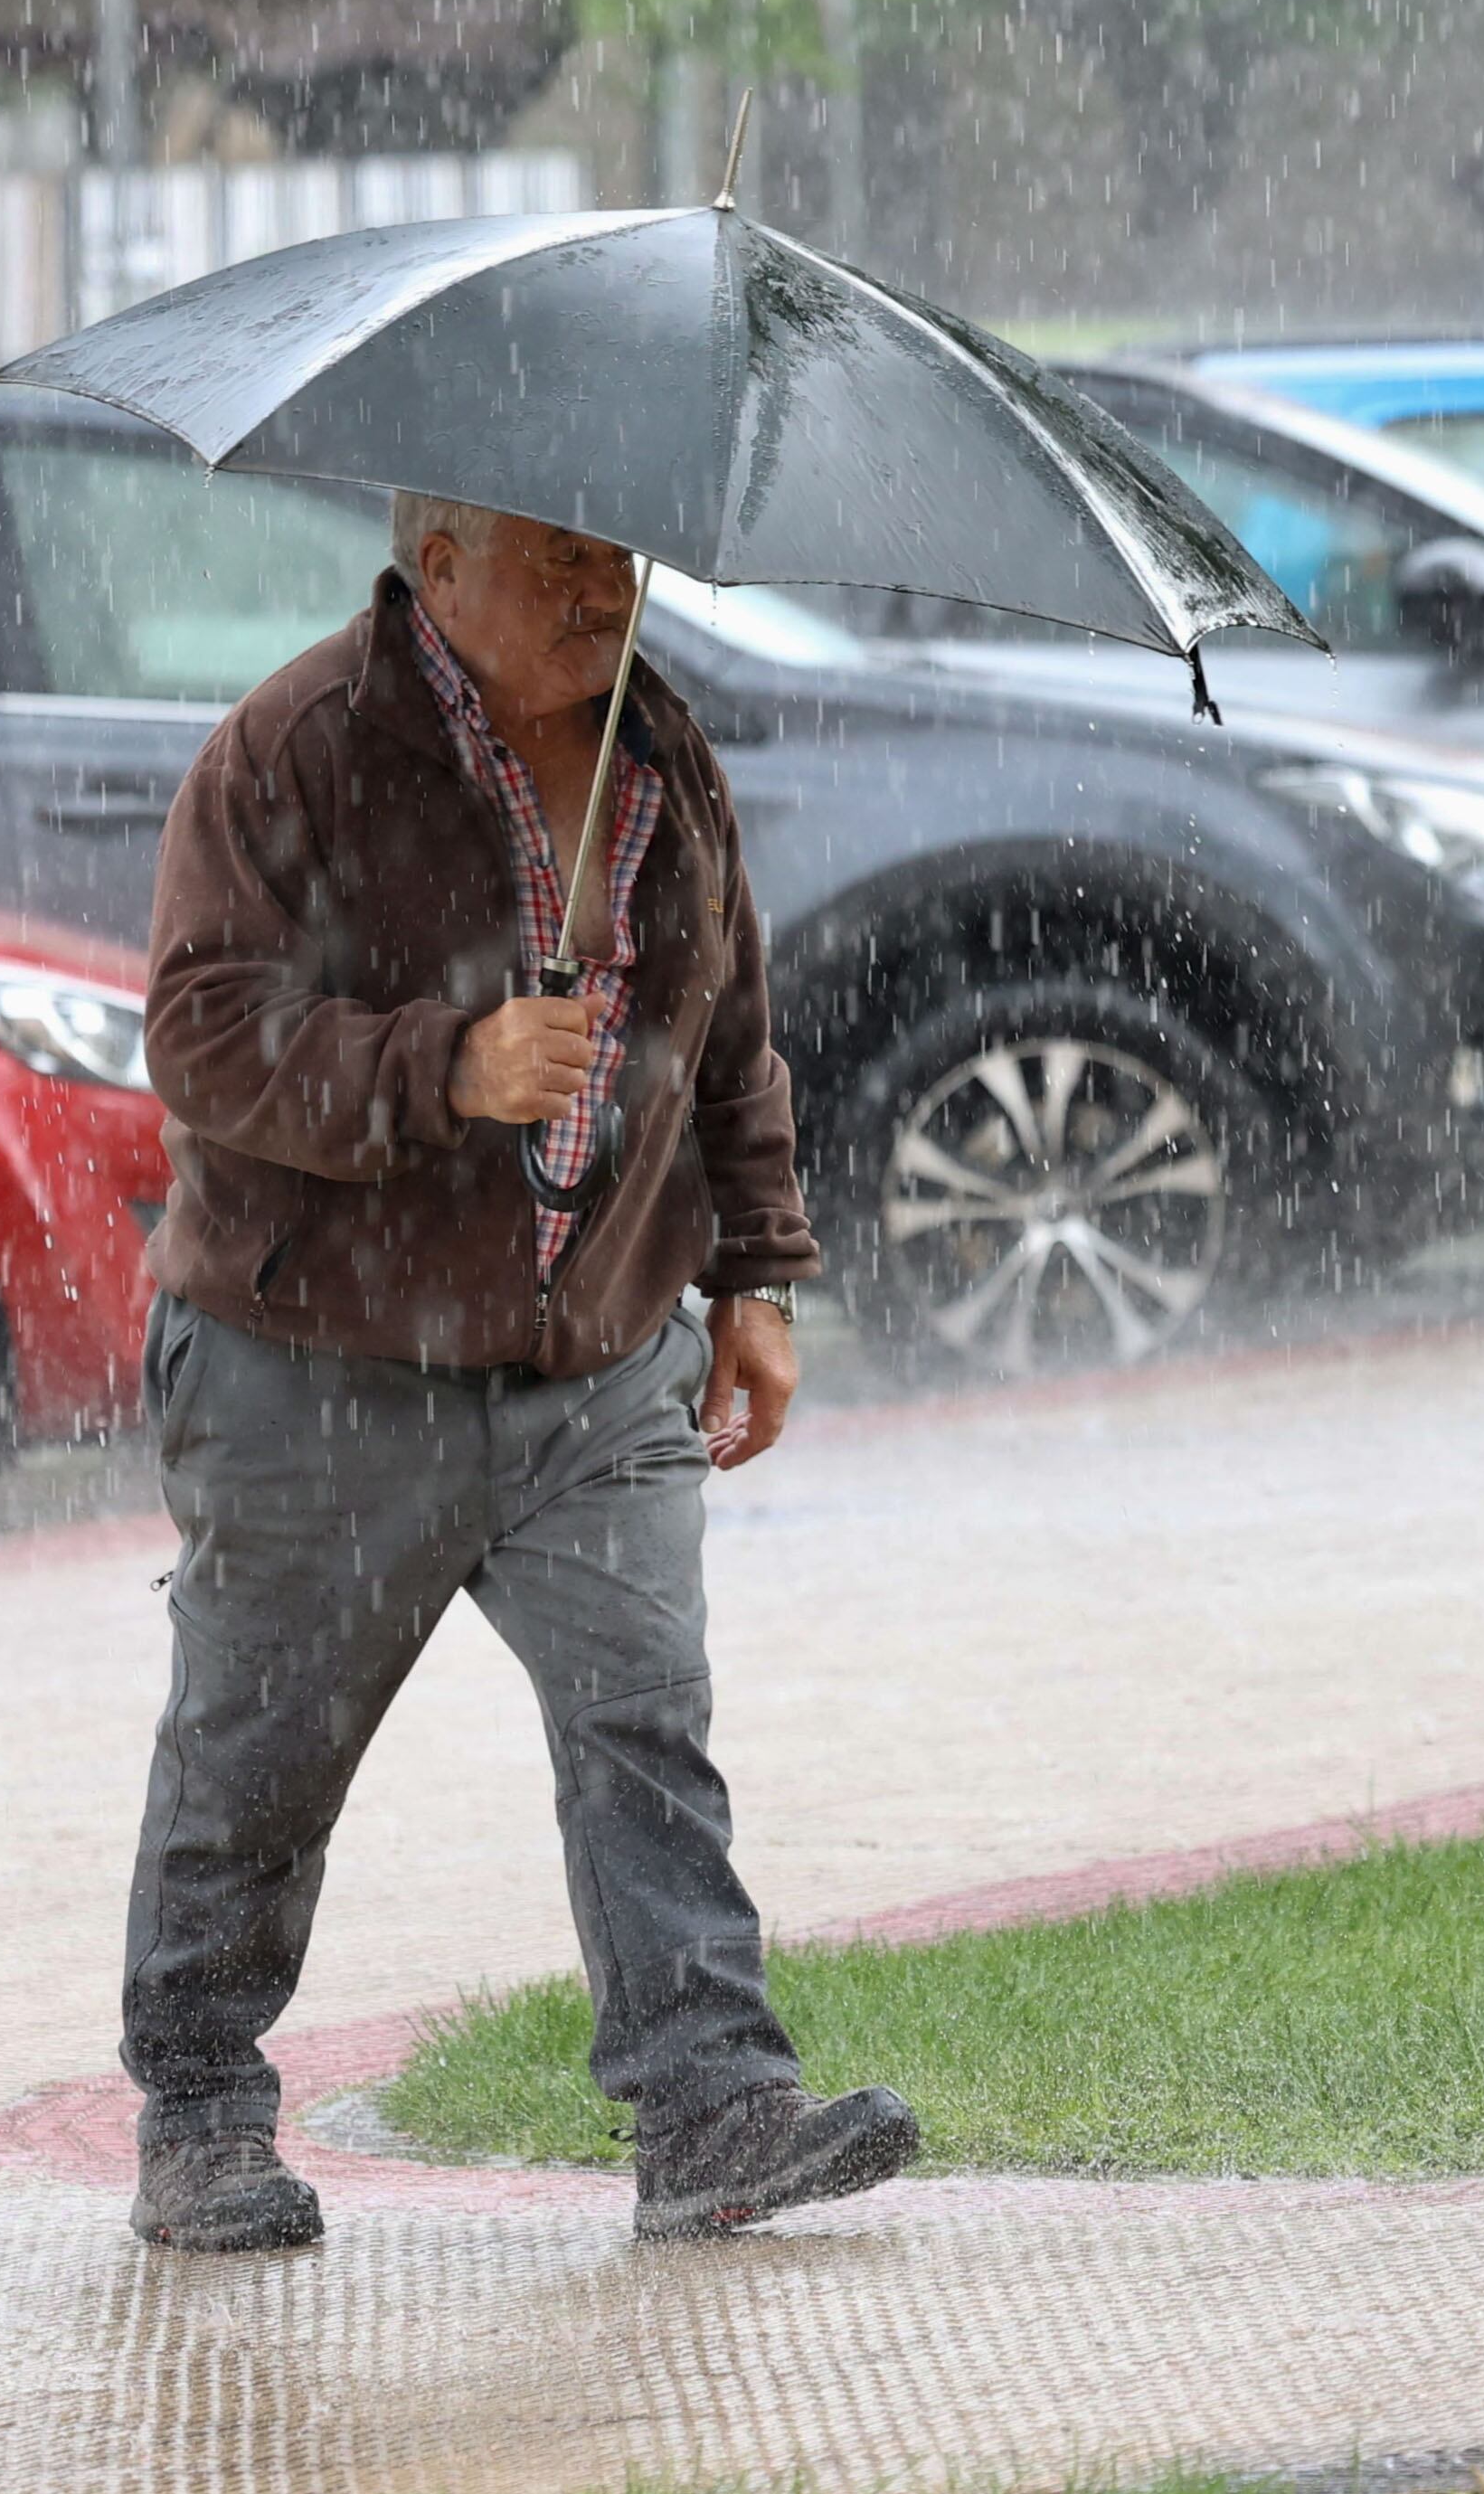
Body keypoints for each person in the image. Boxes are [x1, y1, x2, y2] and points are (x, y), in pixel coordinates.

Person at [115, 494, 919, 2252]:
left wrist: (758, 1276)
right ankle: (196, 2106)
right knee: (263, 1744)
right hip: (315, 1358)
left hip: (598, 1350)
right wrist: (444, 1065)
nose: (599, 584)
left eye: (613, 553)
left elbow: (728, 1030)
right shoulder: (297, 747)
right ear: (436, 562)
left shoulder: (664, 754)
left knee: (643, 1717)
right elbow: (195, 1030)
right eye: (550, 555)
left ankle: (710, 2105)